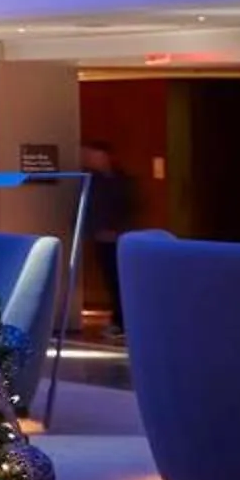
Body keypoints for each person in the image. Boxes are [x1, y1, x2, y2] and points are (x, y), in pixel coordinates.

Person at [81, 140, 134, 340]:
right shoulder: (94, 181)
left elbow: (128, 208)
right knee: (110, 280)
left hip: (117, 238)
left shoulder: (120, 181)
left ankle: (121, 322)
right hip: (101, 238)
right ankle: (118, 321)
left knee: (118, 281)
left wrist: (117, 230)